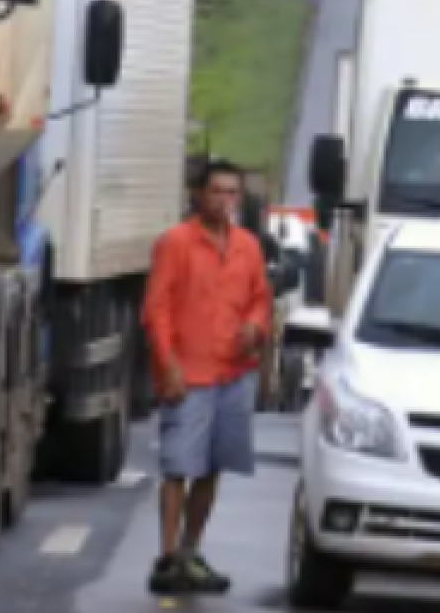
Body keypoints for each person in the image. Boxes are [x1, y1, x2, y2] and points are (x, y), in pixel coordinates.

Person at [141, 160, 275, 595]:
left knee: (213, 467)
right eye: (216, 191)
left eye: (232, 192)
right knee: (179, 466)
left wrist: (255, 327)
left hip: (233, 374)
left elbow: (260, 299)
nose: (223, 200)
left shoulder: (248, 247)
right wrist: (168, 365)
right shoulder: (175, 244)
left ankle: (189, 552)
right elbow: (156, 309)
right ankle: (166, 558)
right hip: (189, 374)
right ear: (200, 194)